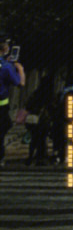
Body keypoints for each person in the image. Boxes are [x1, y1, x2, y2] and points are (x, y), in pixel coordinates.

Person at [0, 35, 26, 168]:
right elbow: (20, 83)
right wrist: (19, 69)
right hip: (1, 107)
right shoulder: (6, 67)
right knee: (3, 129)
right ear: (4, 49)